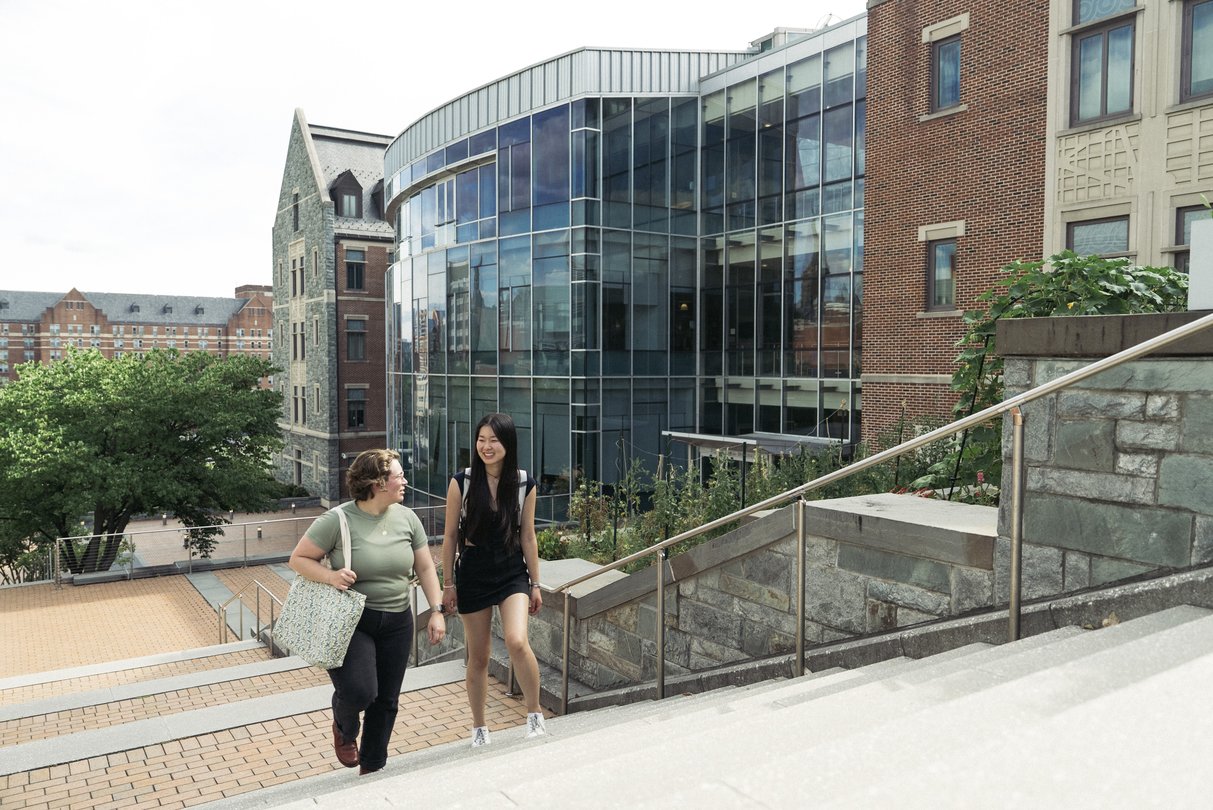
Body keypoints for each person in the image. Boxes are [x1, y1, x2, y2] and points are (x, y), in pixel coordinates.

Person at [289, 449, 447, 775]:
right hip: (352, 621)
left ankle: (373, 770)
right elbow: (299, 560)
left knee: (386, 701)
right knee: (361, 691)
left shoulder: (407, 518)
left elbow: (426, 568)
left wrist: (437, 610)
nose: (404, 480)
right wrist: (331, 576)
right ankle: (345, 728)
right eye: (398, 475)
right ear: (377, 483)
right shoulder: (338, 520)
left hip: (398, 620)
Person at [442, 413, 547, 747]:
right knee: (480, 657)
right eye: (481, 439)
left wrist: (535, 583)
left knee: (517, 641)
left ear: (508, 444)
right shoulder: (462, 482)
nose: (486, 447)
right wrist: (448, 584)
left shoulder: (524, 484)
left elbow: (528, 537)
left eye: (494, 441)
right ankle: (479, 727)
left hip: (511, 567)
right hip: (473, 569)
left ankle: (534, 714)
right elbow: (448, 536)